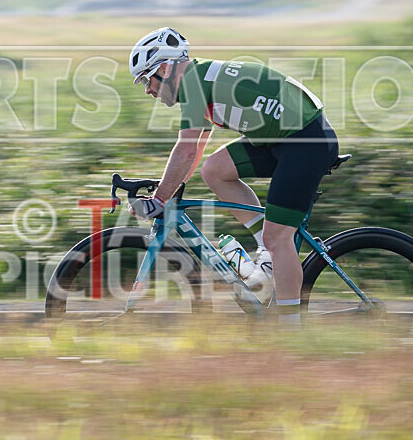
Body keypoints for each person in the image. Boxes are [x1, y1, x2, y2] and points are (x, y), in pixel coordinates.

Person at [127, 27, 339, 322]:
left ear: (164, 67)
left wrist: (160, 198)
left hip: (305, 142)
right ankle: (266, 251)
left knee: (280, 240)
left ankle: (290, 330)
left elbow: (186, 149)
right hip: (282, 137)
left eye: (146, 80)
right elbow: (196, 149)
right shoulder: (197, 79)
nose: (148, 90)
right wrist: (167, 191)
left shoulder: (193, 83)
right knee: (214, 170)